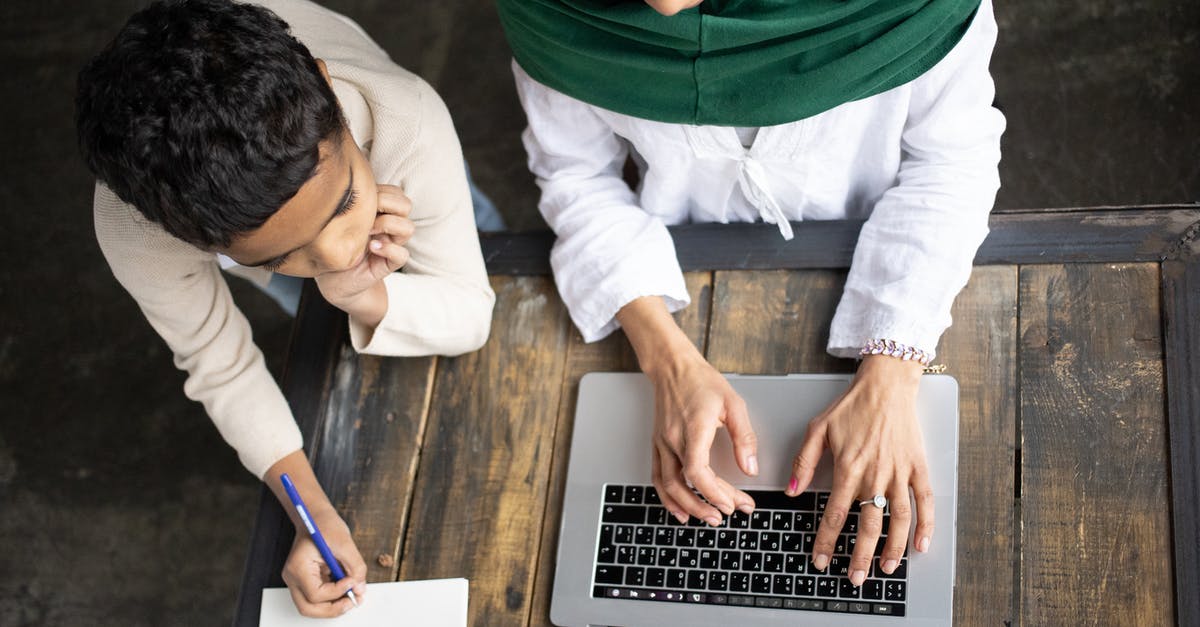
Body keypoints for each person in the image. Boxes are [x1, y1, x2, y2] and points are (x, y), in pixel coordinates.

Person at [498, 0, 1004, 588]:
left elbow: (953, 163)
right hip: (681, 258)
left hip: (897, 249)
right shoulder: (553, 12)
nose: (661, 7)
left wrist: (893, 372)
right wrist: (666, 362)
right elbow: (574, 176)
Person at [76, 0, 495, 617]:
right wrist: (312, 512)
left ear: (325, 84)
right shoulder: (137, 231)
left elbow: (471, 312)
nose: (343, 249)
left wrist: (360, 293)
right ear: (199, 244)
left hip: (403, 151)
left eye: (347, 199)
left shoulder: (406, 118)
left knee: (480, 232)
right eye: (281, 254)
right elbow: (219, 365)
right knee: (310, 297)